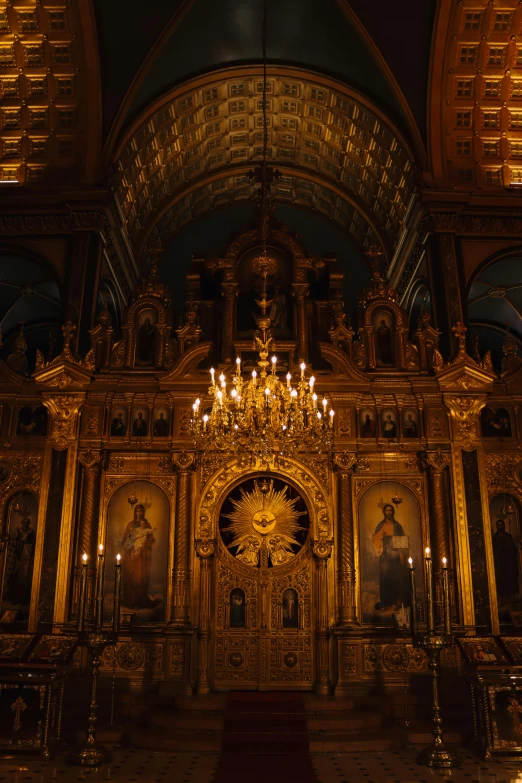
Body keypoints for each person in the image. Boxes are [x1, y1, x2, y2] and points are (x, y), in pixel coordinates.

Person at [372, 504, 409, 611]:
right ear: (384, 512)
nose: (388, 512)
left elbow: (402, 540)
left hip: (395, 556)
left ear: (393, 512)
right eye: (387, 510)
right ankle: (385, 602)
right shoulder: (380, 525)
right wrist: (380, 535)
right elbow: (375, 539)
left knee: (395, 578)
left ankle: (395, 602)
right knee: (385, 578)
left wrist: (401, 551)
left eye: (390, 510)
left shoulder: (397, 526)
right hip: (384, 556)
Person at [121, 504, 156, 609]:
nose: (139, 513)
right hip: (131, 555)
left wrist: (146, 544)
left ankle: (140, 599)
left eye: (141, 511)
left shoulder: (147, 524)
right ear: (135, 512)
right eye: (137, 511)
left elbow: (151, 539)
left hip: (142, 556)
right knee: (130, 576)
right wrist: (130, 545)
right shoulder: (130, 525)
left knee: (140, 577)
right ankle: (130, 600)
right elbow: (124, 540)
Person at [6, 514, 36, 606]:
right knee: (15, 576)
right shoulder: (17, 531)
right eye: (24, 523)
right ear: (22, 523)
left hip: (26, 558)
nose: (25, 525)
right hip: (17, 557)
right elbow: (13, 543)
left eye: (27, 523)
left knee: (24, 578)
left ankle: (23, 599)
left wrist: (25, 544)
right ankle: (13, 598)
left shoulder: (31, 533)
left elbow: (32, 545)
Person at [492, 517, 519, 602]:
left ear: (503, 526)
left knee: (509, 577)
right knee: (500, 578)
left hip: (508, 561)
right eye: (498, 525)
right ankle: (501, 597)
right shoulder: (495, 537)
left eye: (501, 525)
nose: (499, 526)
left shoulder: (508, 536)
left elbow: (513, 549)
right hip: (499, 561)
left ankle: (511, 597)